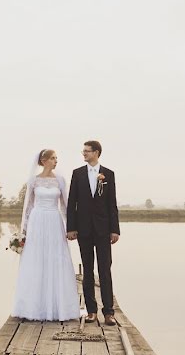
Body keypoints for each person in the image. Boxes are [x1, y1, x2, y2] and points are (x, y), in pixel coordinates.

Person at [11, 149, 80, 321]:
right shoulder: (33, 181)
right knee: (36, 258)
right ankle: (33, 306)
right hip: (37, 221)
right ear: (44, 160)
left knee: (56, 258)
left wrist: (69, 227)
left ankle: (58, 306)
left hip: (54, 220)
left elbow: (64, 206)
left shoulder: (60, 180)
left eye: (57, 158)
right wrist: (24, 231)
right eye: (53, 158)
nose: (56, 161)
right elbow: (28, 207)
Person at [66, 140, 120, 326]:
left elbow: (112, 204)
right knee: (87, 270)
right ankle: (91, 311)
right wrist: (71, 228)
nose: (84, 154)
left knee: (105, 270)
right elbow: (72, 202)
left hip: (104, 230)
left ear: (96, 152)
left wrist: (115, 230)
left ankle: (109, 312)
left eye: (87, 151)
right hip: (84, 229)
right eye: (83, 151)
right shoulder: (77, 174)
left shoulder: (108, 175)